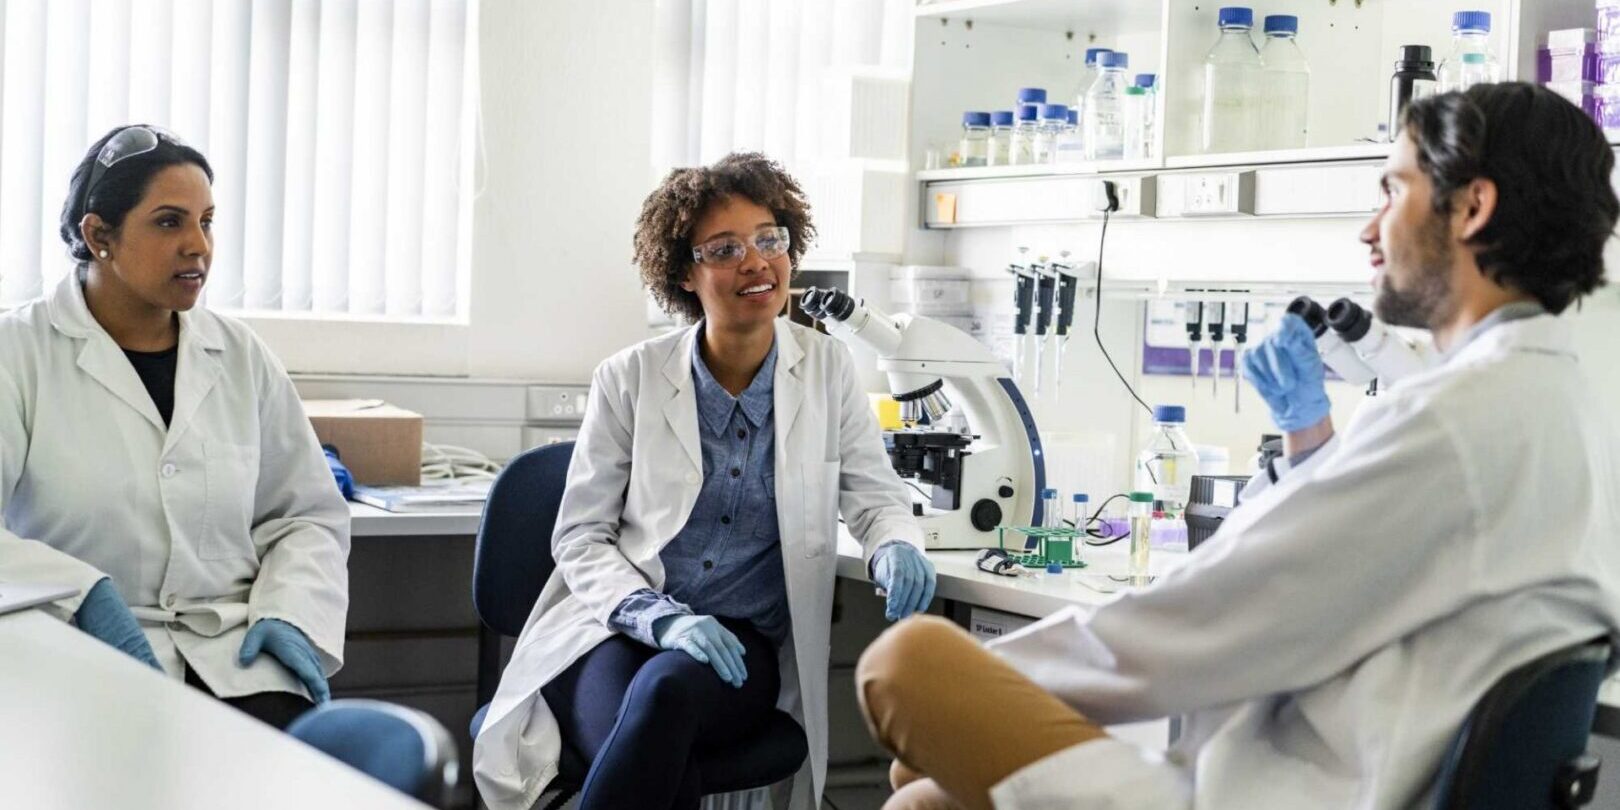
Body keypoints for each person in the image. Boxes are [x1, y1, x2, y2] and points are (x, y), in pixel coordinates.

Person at [854, 82, 1620, 809]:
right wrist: (1307, 446)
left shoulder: (1457, 417)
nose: (1369, 228)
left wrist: (983, 686)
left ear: (1472, 207)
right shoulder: (1554, 400)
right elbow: (1336, 572)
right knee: (925, 793)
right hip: (1339, 767)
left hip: (1284, 792)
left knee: (906, 664)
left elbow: (1214, 617)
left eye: (1393, 190)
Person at [473, 152, 936, 810]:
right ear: (684, 274)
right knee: (665, 754)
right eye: (724, 249)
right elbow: (581, 538)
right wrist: (660, 620)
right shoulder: (630, 377)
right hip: (617, 630)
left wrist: (893, 543)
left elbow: (874, 496)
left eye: (769, 239)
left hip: (737, 649)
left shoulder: (827, 369)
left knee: (664, 705)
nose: (756, 262)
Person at [0, 125, 350, 730]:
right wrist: (80, 594)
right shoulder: (18, 352)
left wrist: (289, 612)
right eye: (169, 222)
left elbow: (306, 515)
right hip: (72, 655)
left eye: (206, 222)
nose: (198, 246)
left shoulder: (239, 355)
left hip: (234, 660)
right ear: (99, 236)